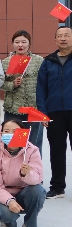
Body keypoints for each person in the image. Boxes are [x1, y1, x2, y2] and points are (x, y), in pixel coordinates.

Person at [0, 120, 46, 227]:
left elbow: (38, 178)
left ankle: (30, 226)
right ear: (1, 134)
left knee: (37, 190)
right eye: (7, 131)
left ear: (22, 133)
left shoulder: (32, 150)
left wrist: (27, 174)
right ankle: (8, 222)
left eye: (15, 131)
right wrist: (9, 201)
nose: (11, 135)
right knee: (9, 219)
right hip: (2, 194)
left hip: (24, 192)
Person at [37, 26, 72, 199]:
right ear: (55, 40)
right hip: (54, 112)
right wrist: (42, 113)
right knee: (57, 150)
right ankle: (57, 187)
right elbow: (41, 89)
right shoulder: (48, 62)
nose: (63, 38)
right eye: (60, 36)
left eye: (67, 35)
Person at [2, 30, 44, 152]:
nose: (20, 45)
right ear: (12, 44)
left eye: (24, 42)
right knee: (12, 142)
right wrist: (12, 84)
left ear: (29, 43)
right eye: (17, 42)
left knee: (33, 143)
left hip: (33, 108)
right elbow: (0, 83)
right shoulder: (6, 62)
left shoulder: (38, 61)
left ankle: (33, 164)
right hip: (13, 108)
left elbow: (44, 82)